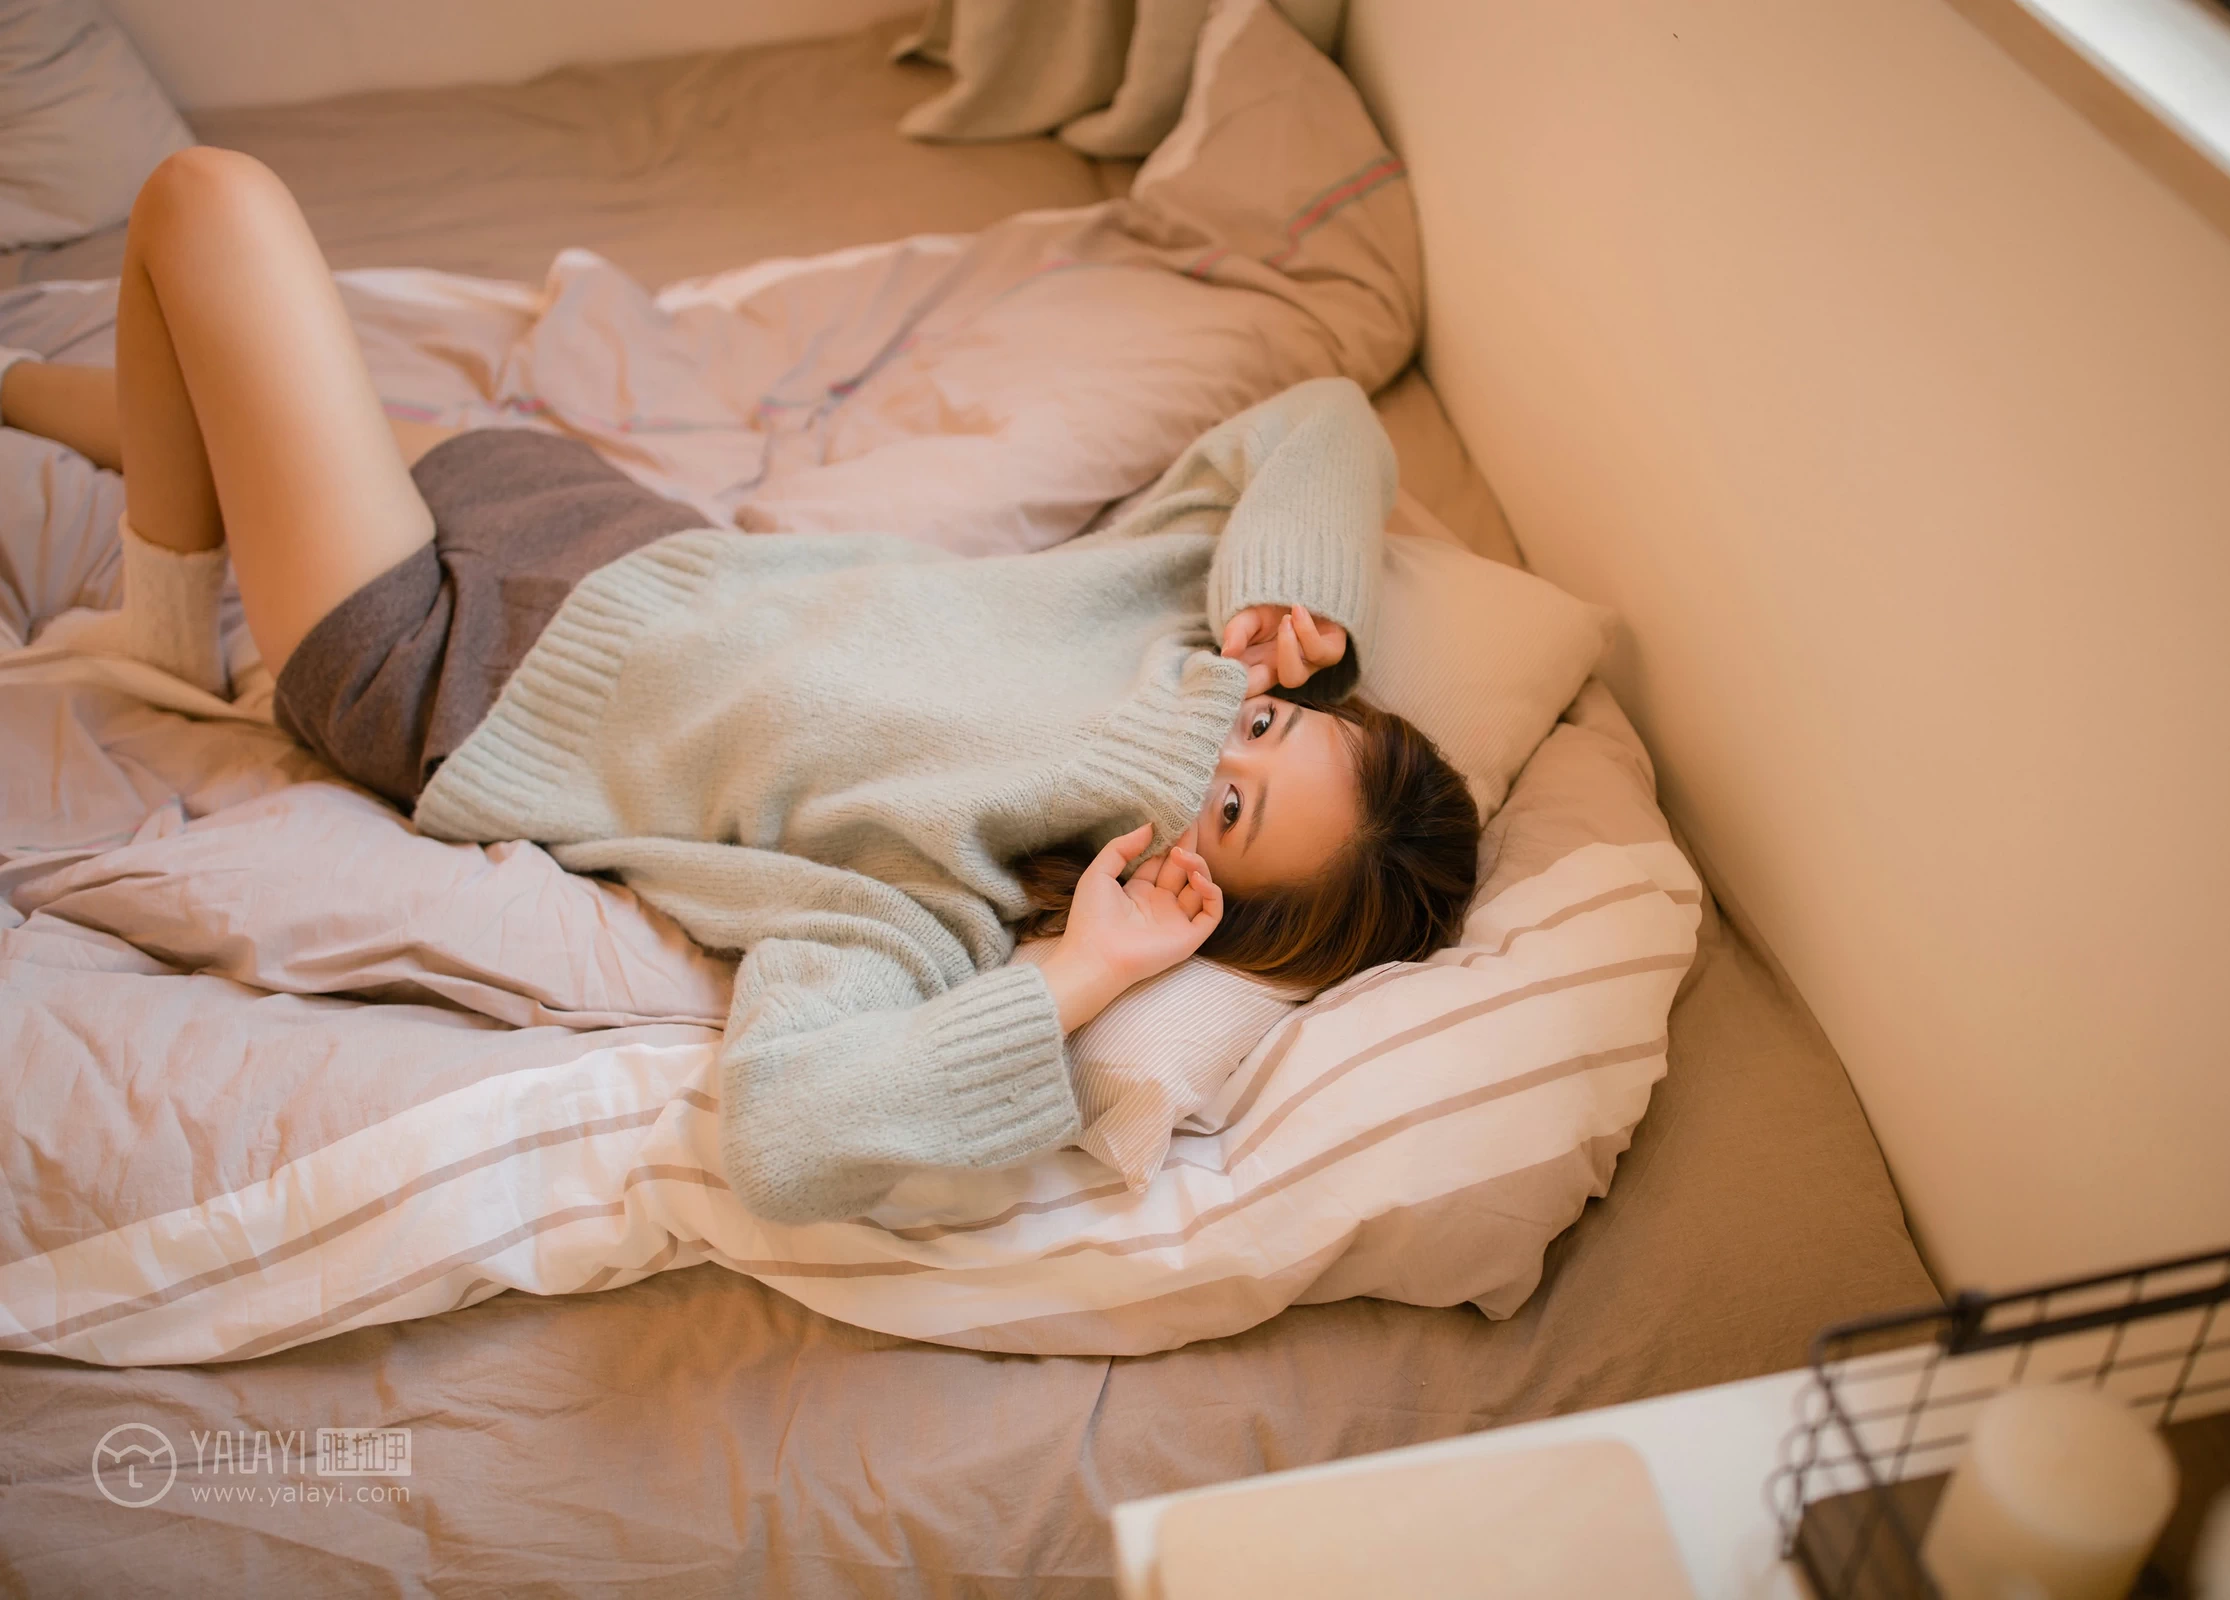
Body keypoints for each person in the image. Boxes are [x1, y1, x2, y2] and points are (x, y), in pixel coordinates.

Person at [0, 149, 1481, 1224]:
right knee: (198, 363)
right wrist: (1299, 603)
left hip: (437, 660)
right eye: (1273, 725)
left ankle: (163, 633)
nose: (1224, 727)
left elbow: (793, 1135)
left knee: (211, 207)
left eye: (1231, 800)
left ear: (1195, 898)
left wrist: (1084, 971)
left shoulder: (941, 900)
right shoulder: (1183, 619)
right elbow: (1321, 416)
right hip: (595, 526)